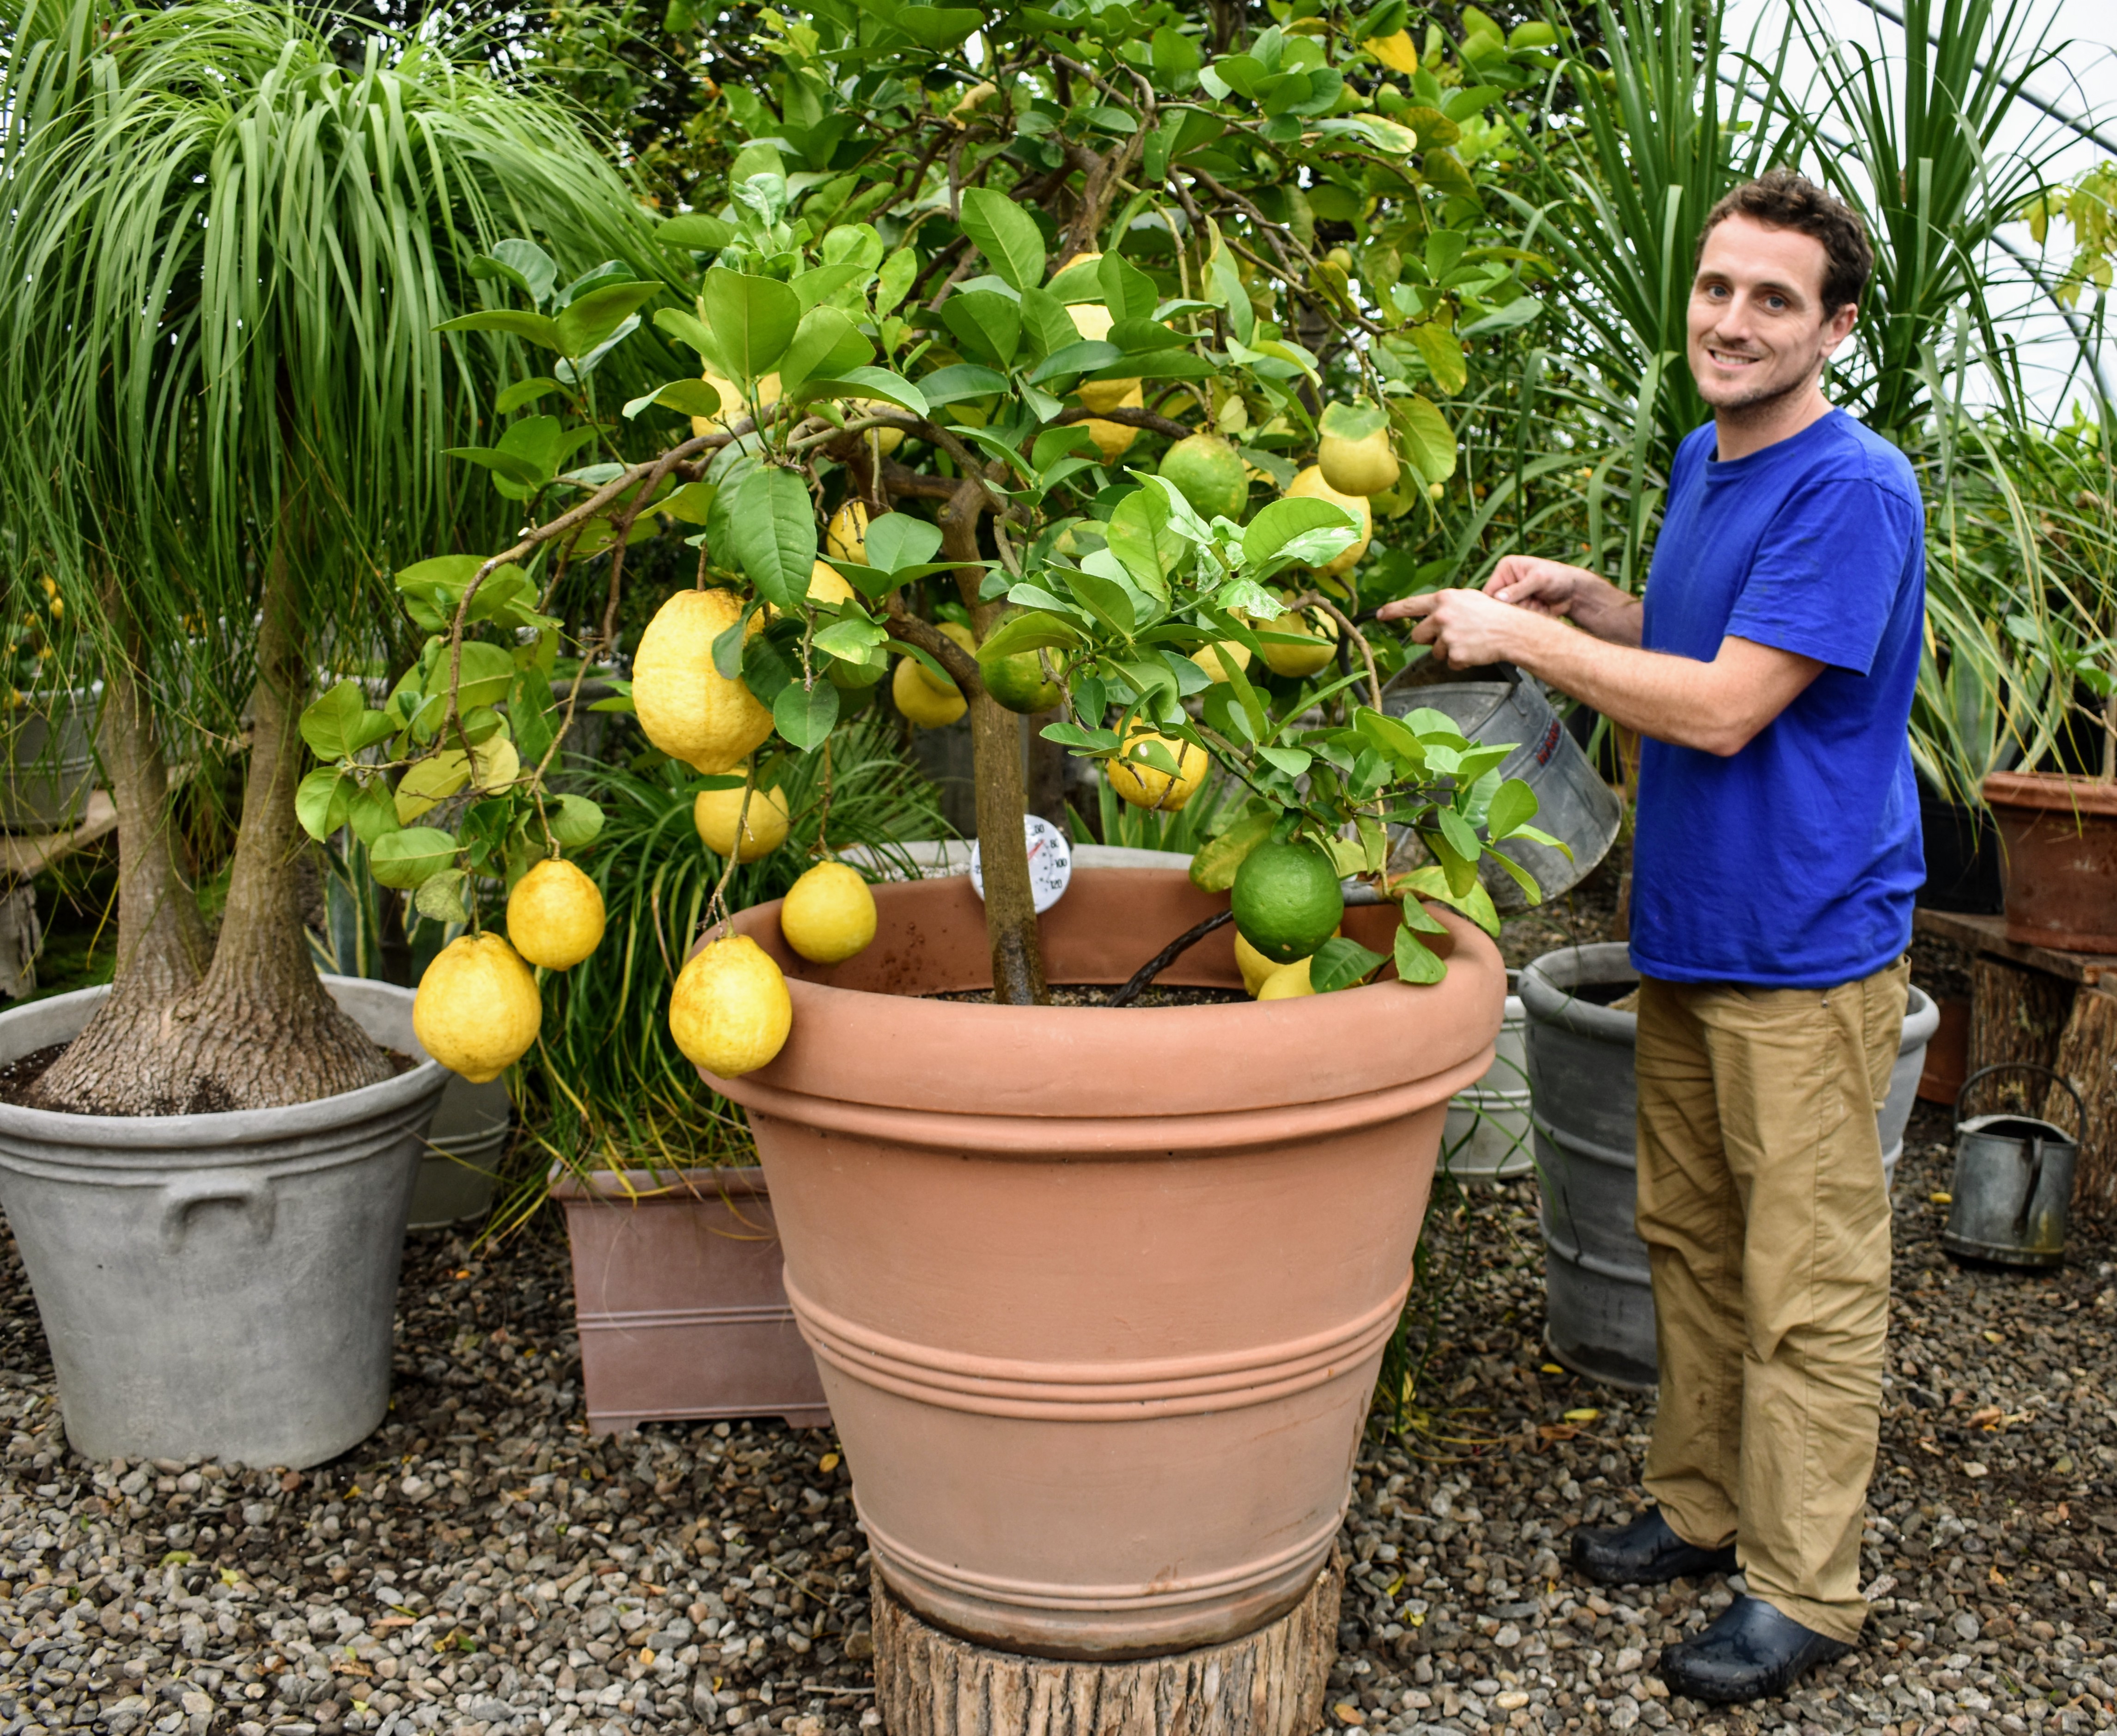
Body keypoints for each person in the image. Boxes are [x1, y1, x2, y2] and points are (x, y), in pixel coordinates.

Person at [1378, 170, 1925, 1706]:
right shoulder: (1710, 456)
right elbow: (1700, 648)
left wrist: (1520, 638)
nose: (1731, 320)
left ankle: (1806, 1591)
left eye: (1772, 298)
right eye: (1717, 287)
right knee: (1688, 1245)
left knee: (1807, 1279)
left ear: (1834, 326)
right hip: (1693, 930)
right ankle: (1702, 1508)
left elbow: (1733, 709)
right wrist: (1591, 603)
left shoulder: (1853, 489)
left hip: (1806, 953)